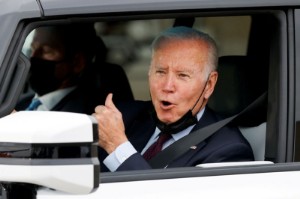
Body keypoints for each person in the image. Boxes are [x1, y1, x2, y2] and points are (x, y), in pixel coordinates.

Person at [94, 26, 254, 172]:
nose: (167, 86)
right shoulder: (124, 118)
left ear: (209, 85)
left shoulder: (228, 151)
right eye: (160, 72)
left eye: (183, 75)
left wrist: (118, 147)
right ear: (149, 73)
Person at [15, 24, 133, 114]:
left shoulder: (81, 116)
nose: (33, 57)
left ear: (77, 63)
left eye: (46, 51)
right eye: (33, 48)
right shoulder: (18, 104)